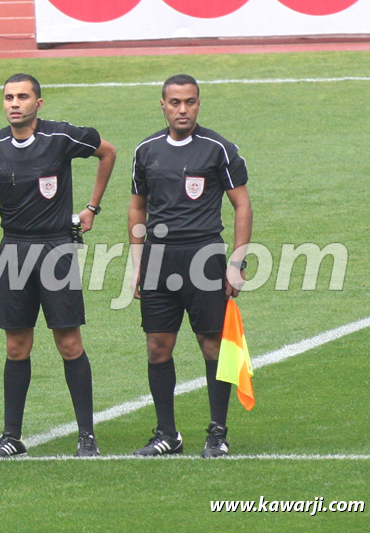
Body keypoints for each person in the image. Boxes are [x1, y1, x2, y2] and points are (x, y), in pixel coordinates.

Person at [0, 73, 117, 458]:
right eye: (8, 97)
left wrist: (91, 208)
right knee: (16, 345)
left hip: (56, 248)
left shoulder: (61, 137)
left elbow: (108, 152)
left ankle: (87, 435)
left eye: (22, 97)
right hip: (15, 249)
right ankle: (11, 436)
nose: (14, 103)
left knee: (68, 343)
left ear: (39, 103)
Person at [129, 74, 253, 458]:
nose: (183, 110)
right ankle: (167, 434)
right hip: (158, 259)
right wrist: (137, 264)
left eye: (190, 102)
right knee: (157, 347)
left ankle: (217, 432)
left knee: (212, 344)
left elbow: (242, 205)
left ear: (199, 104)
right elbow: (137, 207)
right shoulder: (146, 150)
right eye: (175, 103)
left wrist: (236, 262)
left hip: (204, 257)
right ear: (162, 105)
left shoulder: (218, 148)